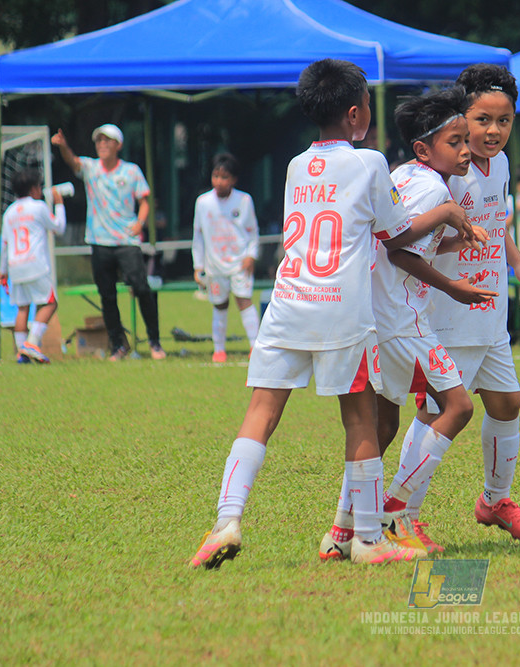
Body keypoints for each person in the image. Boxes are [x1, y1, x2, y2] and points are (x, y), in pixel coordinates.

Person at [190, 59, 476, 569]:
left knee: (261, 412)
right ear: (355, 113)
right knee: (361, 416)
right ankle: (367, 538)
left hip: (286, 301)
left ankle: (226, 521)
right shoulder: (369, 164)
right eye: (367, 102)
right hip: (341, 306)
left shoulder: (297, 164)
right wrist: (447, 214)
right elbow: (397, 235)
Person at [320, 86, 497, 560]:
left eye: (466, 140)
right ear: (424, 148)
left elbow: (399, 242)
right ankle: (393, 513)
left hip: (375, 315)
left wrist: (452, 240)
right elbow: (399, 252)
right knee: (458, 406)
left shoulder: (404, 174)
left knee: (380, 428)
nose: (465, 150)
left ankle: (340, 532)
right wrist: (454, 286)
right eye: (455, 141)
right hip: (401, 317)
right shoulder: (434, 187)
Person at [411, 63, 520, 545]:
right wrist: (457, 240)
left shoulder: (502, 165)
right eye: (482, 119)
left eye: (503, 120)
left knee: (508, 402)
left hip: (491, 312)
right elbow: (415, 240)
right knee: (435, 411)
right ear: (460, 117)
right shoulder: (444, 171)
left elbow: (497, 223)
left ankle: (494, 501)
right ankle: (405, 514)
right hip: (449, 312)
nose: (493, 131)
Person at [51, 123, 165, 360]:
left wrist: (140, 223)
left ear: (118, 145)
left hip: (126, 241)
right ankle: (118, 346)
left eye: (107, 140)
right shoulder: (91, 168)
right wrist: (63, 147)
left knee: (142, 288)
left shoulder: (131, 171)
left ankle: (154, 342)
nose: (102, 144)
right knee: (107, 295)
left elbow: (145, 200)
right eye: (99, 141)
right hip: (99, 241)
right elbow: (73, 161)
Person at [192, 153, 261, 363]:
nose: (219, 181)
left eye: (224, 177)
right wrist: (198, 265)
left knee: (244, 302)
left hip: (240, 263)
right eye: (216, 176)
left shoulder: (244, 200)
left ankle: (256, 347)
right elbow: (198, 235)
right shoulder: (203, 202)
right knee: (220, 305)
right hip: (215, 266)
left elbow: (252, 231)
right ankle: (219, 350)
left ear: (233, 180)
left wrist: (251, 255)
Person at [0, 169, 67, 363]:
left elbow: (5, 244)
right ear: (33, 189)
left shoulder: (9, 212)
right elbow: (59, 228)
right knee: (50, 302)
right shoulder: (38, 207)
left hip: (15, 266)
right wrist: (60, 204)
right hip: (35, 264)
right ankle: (32, 342)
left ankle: (22, 353)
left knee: (22, 308)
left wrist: (2, 271)